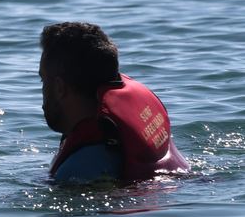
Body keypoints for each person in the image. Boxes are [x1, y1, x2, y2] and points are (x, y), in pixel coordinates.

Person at [38, 21, 189, 183]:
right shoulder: (117, 130)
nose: (42, 89)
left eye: (43, 80)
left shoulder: (80, 170)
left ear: (60, 88)